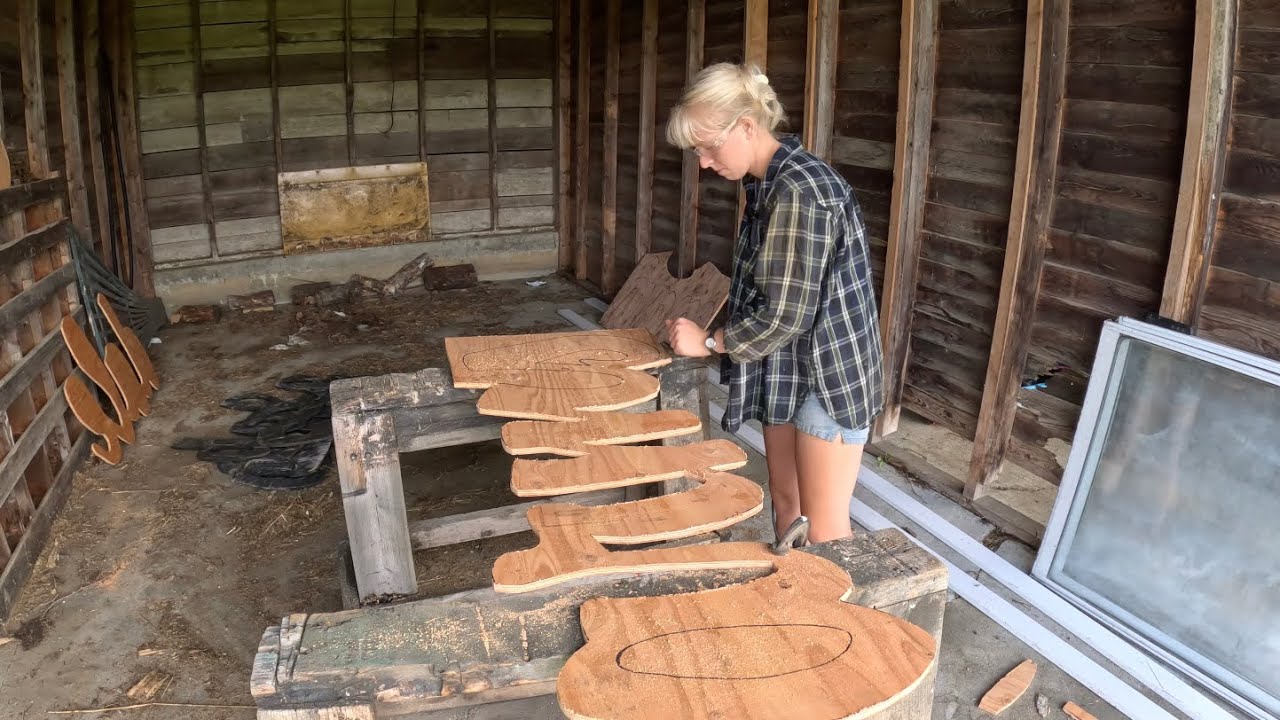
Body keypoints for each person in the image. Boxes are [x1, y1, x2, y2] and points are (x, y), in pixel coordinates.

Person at [662, 62, 884, 545]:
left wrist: (709, 342)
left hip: (829, 376)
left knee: (824, 531)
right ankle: (791, 605)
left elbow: (787, 313)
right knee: (787, 503)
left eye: (708, 146)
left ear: (746, 127)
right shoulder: (763, 183)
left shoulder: (803, 192)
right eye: (696, 150)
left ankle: (830, 619)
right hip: (785, 367)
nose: (702, 162)